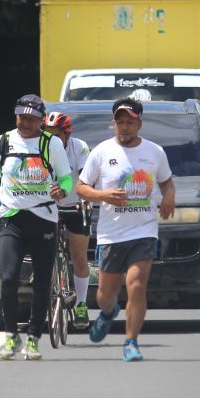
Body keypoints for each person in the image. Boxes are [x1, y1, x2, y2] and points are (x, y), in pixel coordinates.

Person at [76, 98, 175, 362]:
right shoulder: (101, 152)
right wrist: (103, 195)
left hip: (143, 230)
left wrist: (168, 198)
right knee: (104, 295)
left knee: (137, 285)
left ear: (139, 124)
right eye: (120, 122)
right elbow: (81, 188)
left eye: (130, 122)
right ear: (113, 124)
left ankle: (131, 342)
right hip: (111, 234)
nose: (124, 127)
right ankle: (108, 313)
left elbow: (167, 182)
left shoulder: (155, 152)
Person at [0, 94, 72, 360]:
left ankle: (33, 337)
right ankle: (11, 336)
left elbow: (66, 179)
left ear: (41, 120)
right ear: (16, 116)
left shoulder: (51, 144)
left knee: (42, 281)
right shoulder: (5, 141)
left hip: (43, 217)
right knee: (8, 279)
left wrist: (61, 191)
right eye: (21, 117)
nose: (25, 123)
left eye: (31, 119)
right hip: (12, 217)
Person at [42, 111, 92, 329]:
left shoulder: (79, 147)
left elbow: (85, 177)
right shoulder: (38, 147)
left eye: (56, 135)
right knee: (39, 247)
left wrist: (86, 198)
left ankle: (81, 304)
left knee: (79, 255)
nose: (51, 139)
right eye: (47, 134)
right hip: (45, 205)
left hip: (74, 204)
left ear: (67, 134)